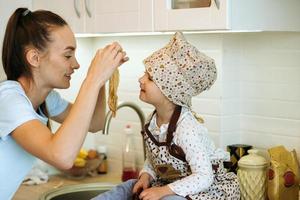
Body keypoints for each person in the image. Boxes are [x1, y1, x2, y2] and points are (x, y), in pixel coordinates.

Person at [93, 32, 240, 200]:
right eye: (144, 74)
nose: (141, 79)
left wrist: (163, 191)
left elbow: (204, 177)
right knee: (127, 187)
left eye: (150, 78)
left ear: (170, 92)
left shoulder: (187, 129)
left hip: (202, 191)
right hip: (169, 185)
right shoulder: (152, 121)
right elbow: (155, 160)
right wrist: (146, 176)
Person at [0, 8, 128, 199]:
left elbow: (95, 123)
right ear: (34, 58)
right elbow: (62, 156)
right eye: (68, 55)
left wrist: (100, 80)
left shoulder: (46, 99)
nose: (76, 64)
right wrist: (93, 79)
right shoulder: (9, 99)